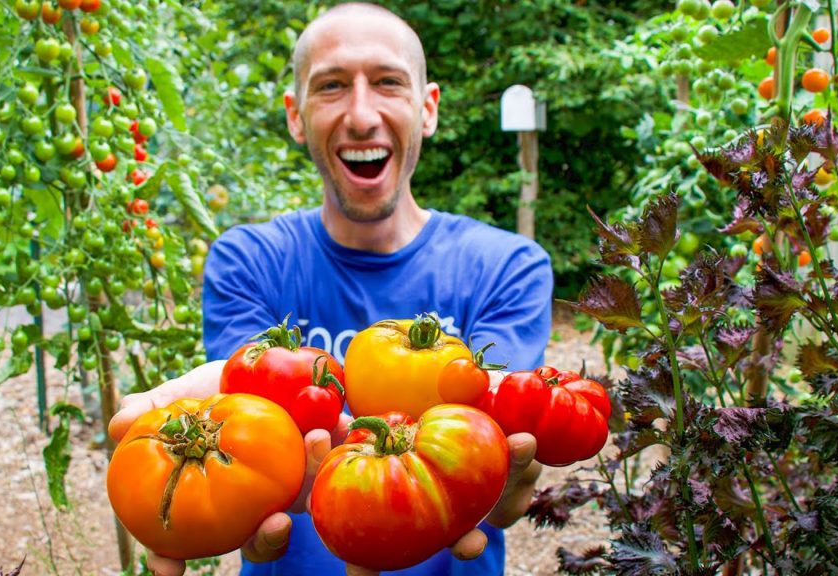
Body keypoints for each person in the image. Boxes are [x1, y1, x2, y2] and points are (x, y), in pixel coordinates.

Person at [108, 3, 553, 575]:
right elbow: (244, 422)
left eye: (388, 82)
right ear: (296, 116)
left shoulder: (508, 266)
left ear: (428, 108)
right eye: (332, 86)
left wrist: (507, 479)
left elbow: (494, 439)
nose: (362, 115)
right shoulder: (249, 260)